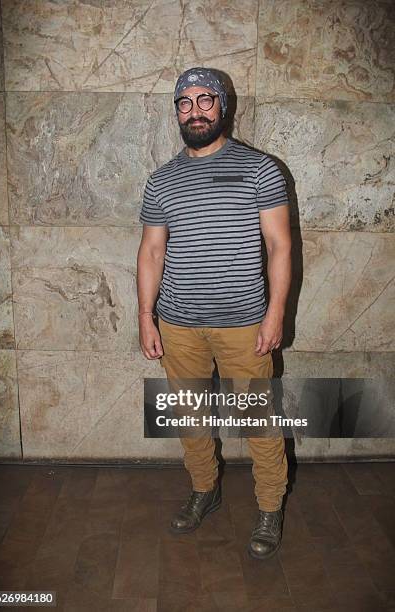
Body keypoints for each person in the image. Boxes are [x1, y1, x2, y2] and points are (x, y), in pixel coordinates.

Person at [136, 67, 291, 560]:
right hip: (179, 325)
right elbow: (151, 251)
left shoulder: (260, 169)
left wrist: (276, 314)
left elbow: (280, 247)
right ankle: (206, 489)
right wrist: (146, 315)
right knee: (190, 416)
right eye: (185, 102)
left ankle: (269, 507)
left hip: (245, 323)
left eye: (206, 100)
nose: (195, 110)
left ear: (223, 107)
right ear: (176, 112)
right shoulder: (161, 180)